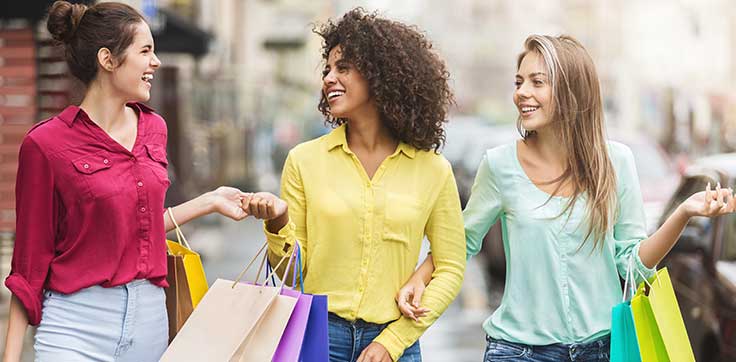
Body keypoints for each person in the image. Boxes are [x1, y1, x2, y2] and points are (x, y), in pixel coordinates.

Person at [396, 34, 735, 362]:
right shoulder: (500, 165)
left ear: (571, 91)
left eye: (536, 82)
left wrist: (683, 213)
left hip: (601, 350)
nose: (522, 93)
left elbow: (632, 264)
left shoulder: (616, 163)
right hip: (518, 352)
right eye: (519, 82)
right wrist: (419, 277)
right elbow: (462, 241)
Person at [1, 2, 249, 361]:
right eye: (145, 51)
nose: (156, 62)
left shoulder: (154, 129)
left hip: (148, 322)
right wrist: (10, 357)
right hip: (75, 326)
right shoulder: (45, 145)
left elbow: (136, 229)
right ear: (108, 59)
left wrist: (209, 201)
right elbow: (28, 263)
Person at [242, 8, 466, 362]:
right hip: (317, 335)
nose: (329, 78)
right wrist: (277, 223)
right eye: (328, 69)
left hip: (395, 340)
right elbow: (290, 276)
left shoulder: (433, 170)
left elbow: (451, 266)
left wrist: (391, 343)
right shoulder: (304, 160)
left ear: (382, 76)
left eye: (343, 67)